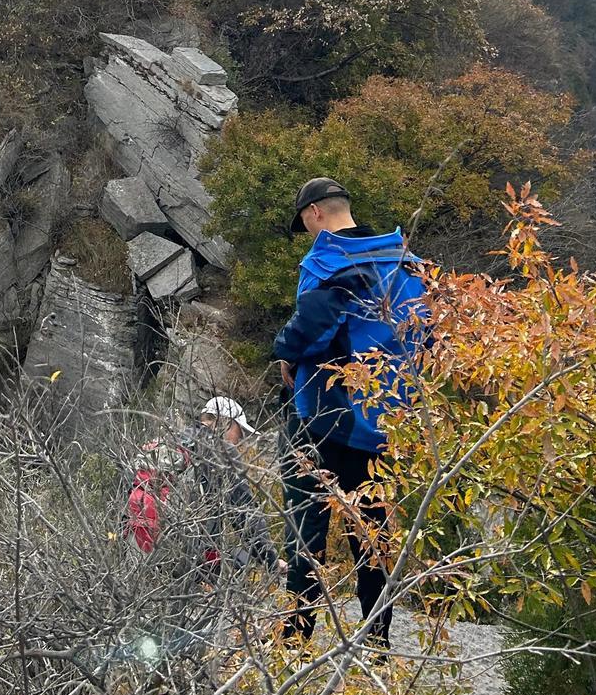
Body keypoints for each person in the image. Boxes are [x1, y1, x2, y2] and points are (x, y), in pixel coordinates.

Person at [272, 177, 427, 652]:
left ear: (316, 213)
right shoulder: (409, 261)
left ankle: (294, 644)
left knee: (307, 524)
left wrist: (284, 351)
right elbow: (425, 338)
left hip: (323, 416)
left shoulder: (324, 260)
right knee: (372, 531)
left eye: (304, 222)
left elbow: (311, 331)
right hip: (384, 423)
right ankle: (377, 645)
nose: (308, 231)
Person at [183, 396, 284, 580]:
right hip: (190, 553)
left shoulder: (173, 439)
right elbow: (244, 513)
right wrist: (271, 560)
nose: (239, 442)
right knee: (241, 562)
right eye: (239, 433)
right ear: (225, 422)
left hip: (142, 544)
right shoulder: (222, 451)